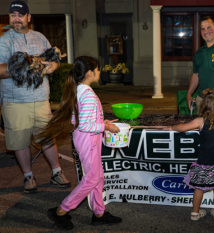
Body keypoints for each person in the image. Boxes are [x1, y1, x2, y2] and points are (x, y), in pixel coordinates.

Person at [37, 56, 123, 230]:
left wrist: (102, 122)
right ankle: (61, 211)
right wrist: (106, 126)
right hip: (88, 139)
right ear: (90, 73)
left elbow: (79, 118)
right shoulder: (88, 94)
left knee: (98, 176)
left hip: (86, 139)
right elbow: (85, 125)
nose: (99, 73)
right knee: (91, 179)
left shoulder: (79, 90)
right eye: (98, 70)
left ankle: (99, 213)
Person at [0, 0, 71, 193]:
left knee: (48, 137)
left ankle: (56, 172)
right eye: (13, 15)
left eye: (20, 15)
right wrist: (29, 62)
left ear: (28, 18)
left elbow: (54, 63)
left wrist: (51, 66)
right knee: (20, 141)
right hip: (15, 101)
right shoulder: (4, 41)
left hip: (41, 99)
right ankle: (28, 176)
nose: (16, 19)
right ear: (9, 17)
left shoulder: (40, 37)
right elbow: (0, 70)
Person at [164, 88, 214, 221]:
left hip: (204, 161)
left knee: (199, 188)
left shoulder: (200, 121)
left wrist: (171, 128)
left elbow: (182, 127)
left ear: (203, 105)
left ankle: (195, 213)